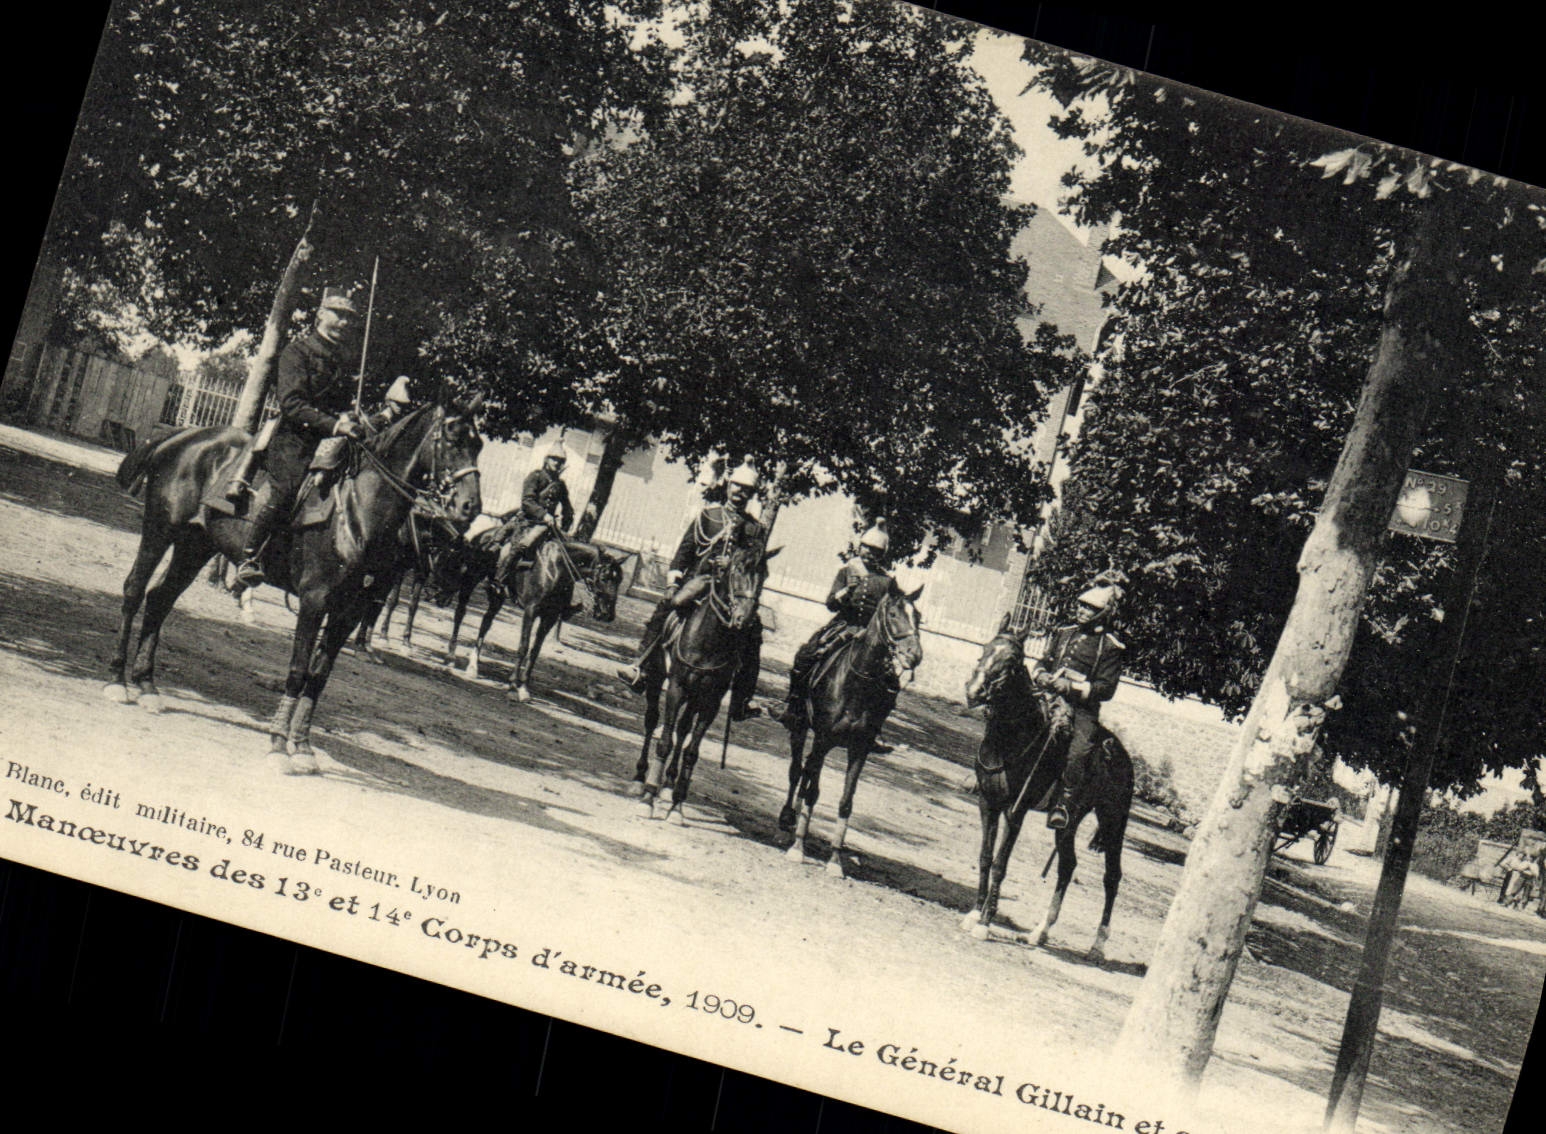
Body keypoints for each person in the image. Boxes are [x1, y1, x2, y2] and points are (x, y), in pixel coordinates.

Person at [235, 290, 377, 587]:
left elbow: (341, 405)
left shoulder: (345, 361)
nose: (342, 322)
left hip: (330, 441)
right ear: (320, 315)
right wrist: (335, 425)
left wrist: (351, 416)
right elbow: (292, 404)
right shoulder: (296, 352)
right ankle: (250, 555)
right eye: (337, 313)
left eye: (348, 318)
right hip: (293, 439)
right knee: (288, 489)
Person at [617, 462, 767, 721]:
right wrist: (674, 582)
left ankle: (742, 701)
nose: (739, 493)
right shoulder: (708, 516)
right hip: (700, 581)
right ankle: (640, 666)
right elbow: (684, 553)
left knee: (753, 634)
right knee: (668, 608)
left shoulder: (755, 528)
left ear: (752, 495)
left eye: (746, 490)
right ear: (728, 486)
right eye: (736, 487)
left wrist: (732, 566)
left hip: (731, 592)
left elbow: (753, 564)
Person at [769, 526, 893, 730]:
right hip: (843, 626)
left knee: (889, 679)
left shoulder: (887, 581)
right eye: (867, 548)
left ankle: (873, 729)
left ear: (882, 554)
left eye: (876, 551)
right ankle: (793, 706)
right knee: (806, 656)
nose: (870, 553)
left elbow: (888, 612)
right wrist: (846, 591)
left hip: (868, 633)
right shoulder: (847, 571)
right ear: (860, 547)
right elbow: (830, 604)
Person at [1035, 574, 1127, 830]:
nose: (1083, 611)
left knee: (1079, 750)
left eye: (1091, 608)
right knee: (1012, 715)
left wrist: (1074, 688)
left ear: (1103, 613)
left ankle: (1063, 804)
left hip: (1081, 710)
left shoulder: (1109, 647)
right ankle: (992, 775)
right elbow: (1044, 660)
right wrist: (1041, 673)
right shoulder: (1064, 633)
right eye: (1082, 605)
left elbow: (1106, 689)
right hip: (1048, 696)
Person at [493, 440, 575, 582]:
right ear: (547, 459)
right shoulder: (535, 476)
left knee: (567, 552)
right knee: (522, 545)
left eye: (560, 460)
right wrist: (544, 515)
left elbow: (567, 506)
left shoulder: (560, 485)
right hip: (530, 521)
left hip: (548, 526)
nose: (557, 463)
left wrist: (567, 522)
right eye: (554, 459)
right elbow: (527, 501)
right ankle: (498, 580)